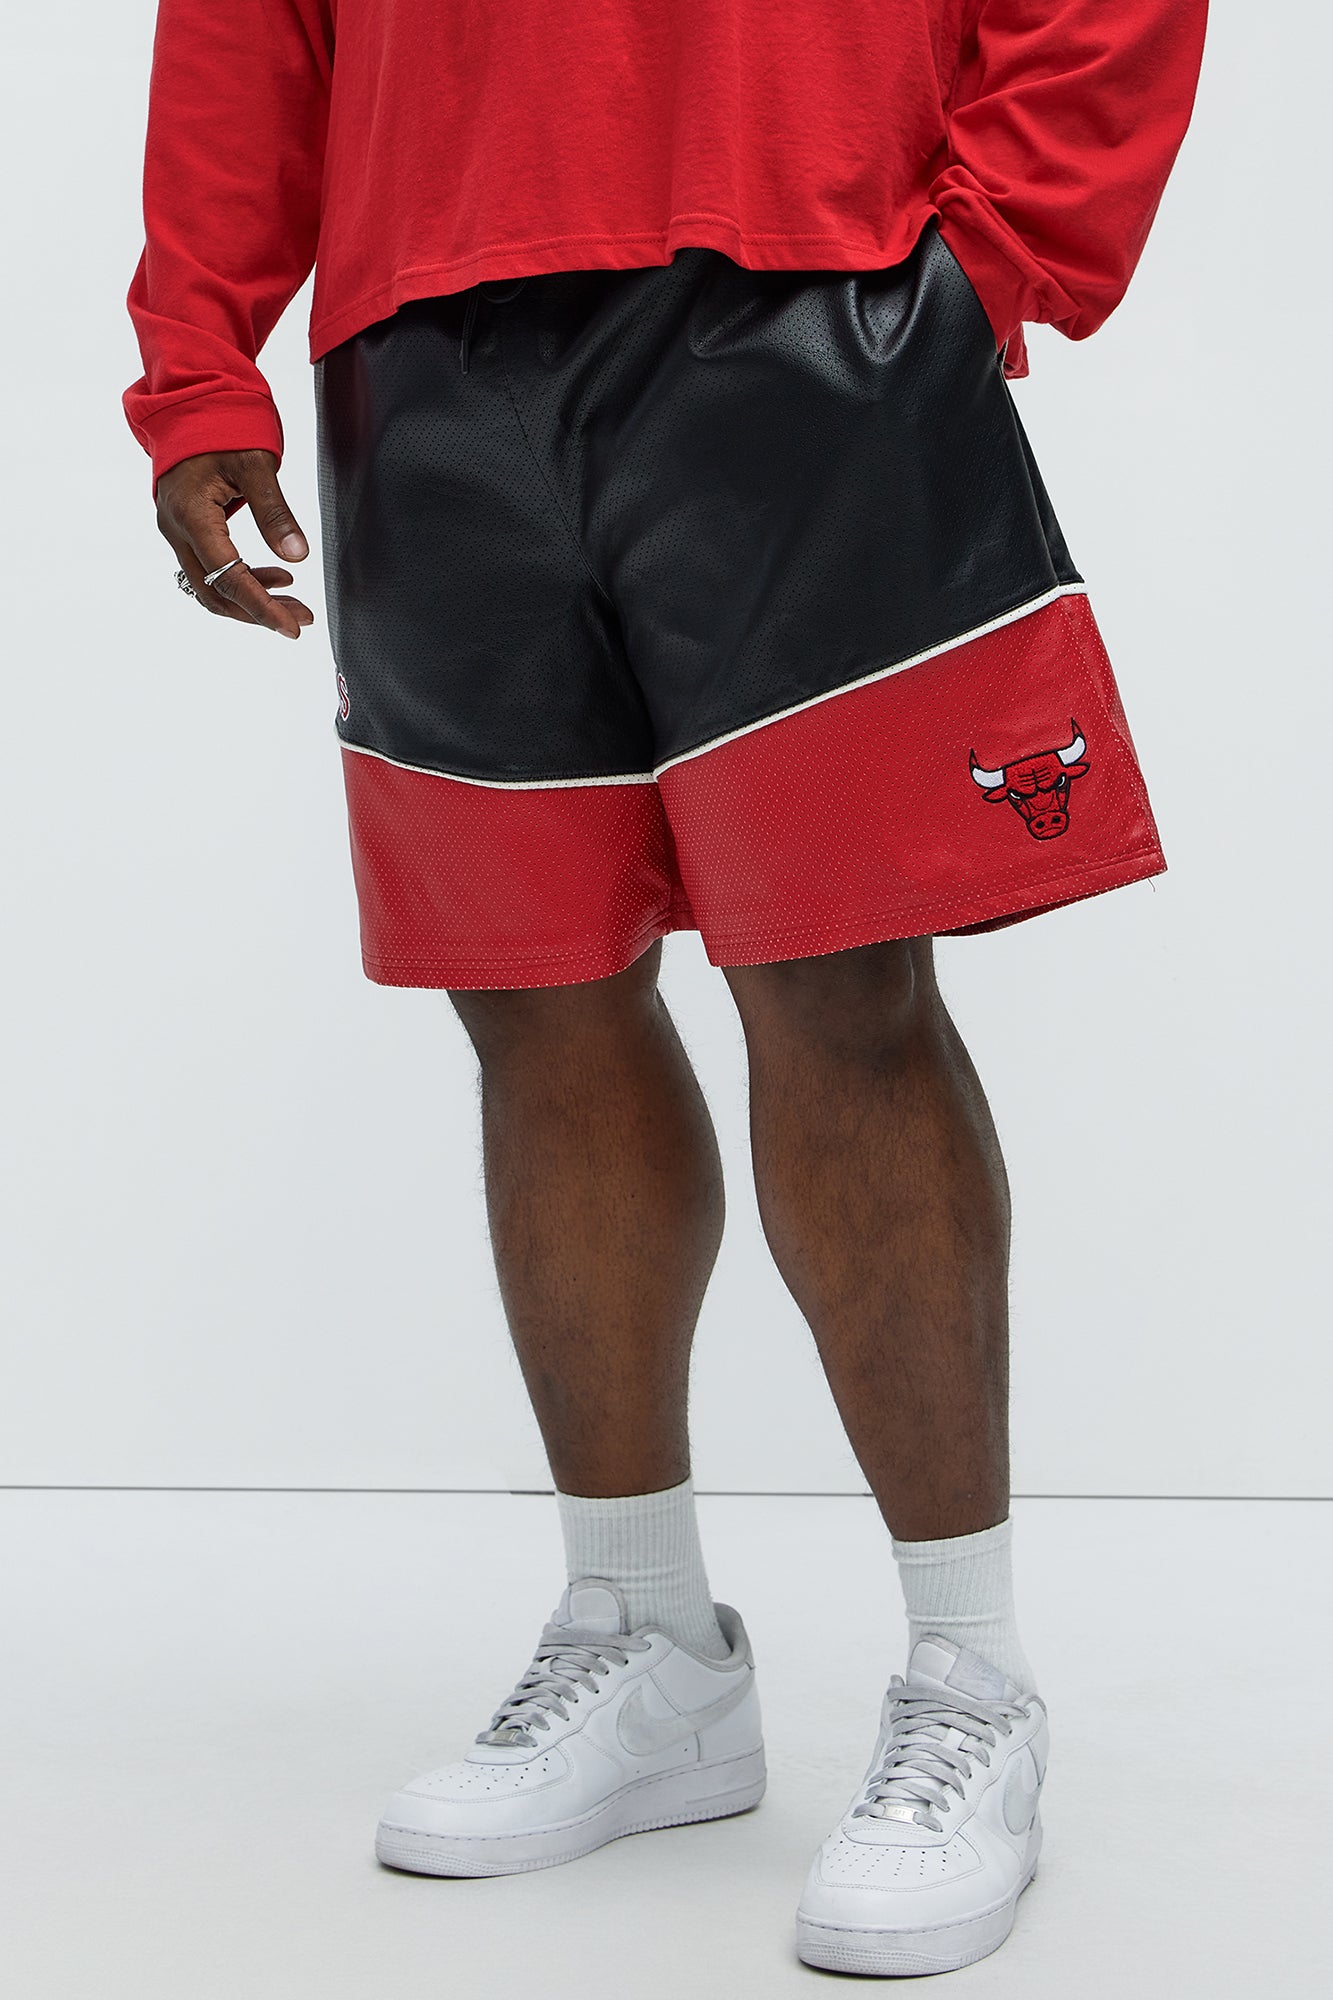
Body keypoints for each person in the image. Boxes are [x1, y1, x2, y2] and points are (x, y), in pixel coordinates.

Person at [124, 0, 1208, 1975]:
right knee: (532, 995)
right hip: (423, 336)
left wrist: (995, 253)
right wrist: (201, 361)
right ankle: (646, 1644)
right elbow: (244, 26)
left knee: (835, 979)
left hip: (808, 293)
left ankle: (969, 1674)